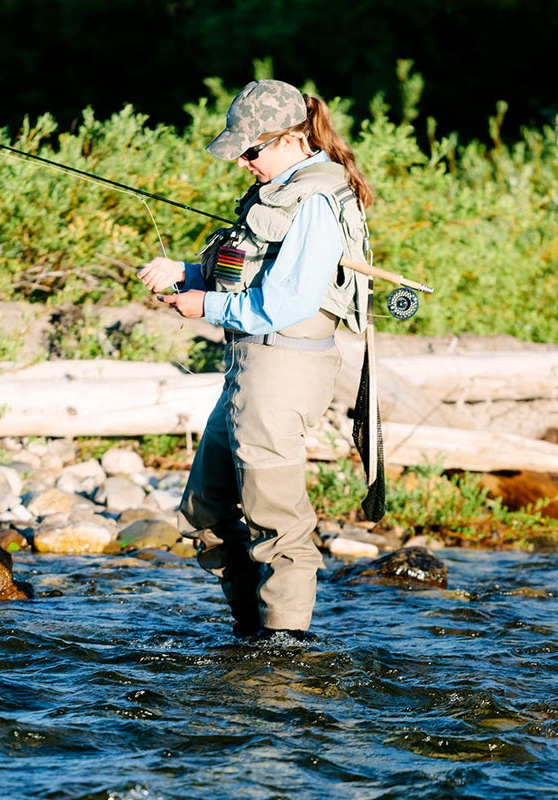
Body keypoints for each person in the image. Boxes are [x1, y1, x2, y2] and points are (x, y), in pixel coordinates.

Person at [137, 79, 375, 639]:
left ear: (291, 137)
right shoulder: (281, 187)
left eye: (251, 149)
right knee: (205, 511)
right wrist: (187, 276)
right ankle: (253, 633)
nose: (243, 161)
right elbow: (255, 273)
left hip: (283, 373)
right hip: (249, 371)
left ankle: (285, 653)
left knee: (279, 526)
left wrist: (204, 304)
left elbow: (287, 300)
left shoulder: (317, 197)